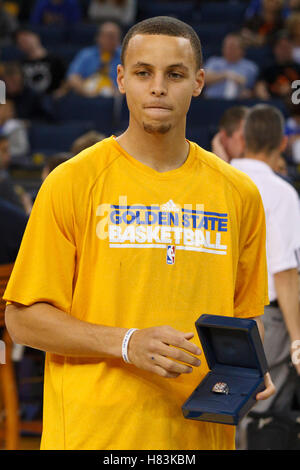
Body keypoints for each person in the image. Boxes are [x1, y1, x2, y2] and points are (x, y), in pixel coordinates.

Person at [3, 16, 275, 451]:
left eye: (175, 74)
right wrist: (126, 342)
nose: (158, 88)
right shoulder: (72, 182)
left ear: (199, 82)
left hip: (200, 436)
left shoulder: (238, 193)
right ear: (121, 79)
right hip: (96, 436)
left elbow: (246, 317)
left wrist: (249, 366)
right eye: (144, 72)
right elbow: (22, 319)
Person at [231, 105, 300, 448]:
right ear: (283, 143)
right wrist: (298, 339)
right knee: (260, 414)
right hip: (265, 316)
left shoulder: (220, 177)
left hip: (214, 312)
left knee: (222, 405)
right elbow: (285, 271)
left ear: (242, 139)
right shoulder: (281, 193)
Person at [66, 21, 121, 97]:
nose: (110, 40)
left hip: (115, 100)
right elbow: (72, 77)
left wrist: (119, 92)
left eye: (114, 37)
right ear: (99, 38)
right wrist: (86, 91)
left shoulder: (125, 56)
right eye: (108, 36)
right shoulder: (86, 54)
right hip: (88, 98)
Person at [204, 33, 259, 99]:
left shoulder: (250, 67)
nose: (229, 50)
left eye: (232, 47)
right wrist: (225, 75)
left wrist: (248, 93)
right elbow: (204, 79)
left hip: (237, 102)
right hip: (211, 101)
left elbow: (253, 89)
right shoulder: (213, 62)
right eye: (226, 47)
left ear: (241, 50)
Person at [14, 28, 66, 95]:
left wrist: (60, 92)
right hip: (29, 100)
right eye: (21, 41)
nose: (26, 42)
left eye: (27, 37)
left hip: (52, 98)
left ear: (36, 37)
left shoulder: (56, 60)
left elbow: (66, 81)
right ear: (19, 47)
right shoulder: (19, 64)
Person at [255, 31, 300, 100]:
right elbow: (260, 86)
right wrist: (265, 97)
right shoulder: (268, 68)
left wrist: (291, 91)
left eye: (288, 46)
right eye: (282, 47)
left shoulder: (298, 68)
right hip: (273, 104)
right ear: (274, 49)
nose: (285, 50)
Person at [0, 133, 32, 214]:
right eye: (4, 150)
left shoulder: (5, 176)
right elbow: (24, 222)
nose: (9, 156)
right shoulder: (3, 183)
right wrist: (28, 206)